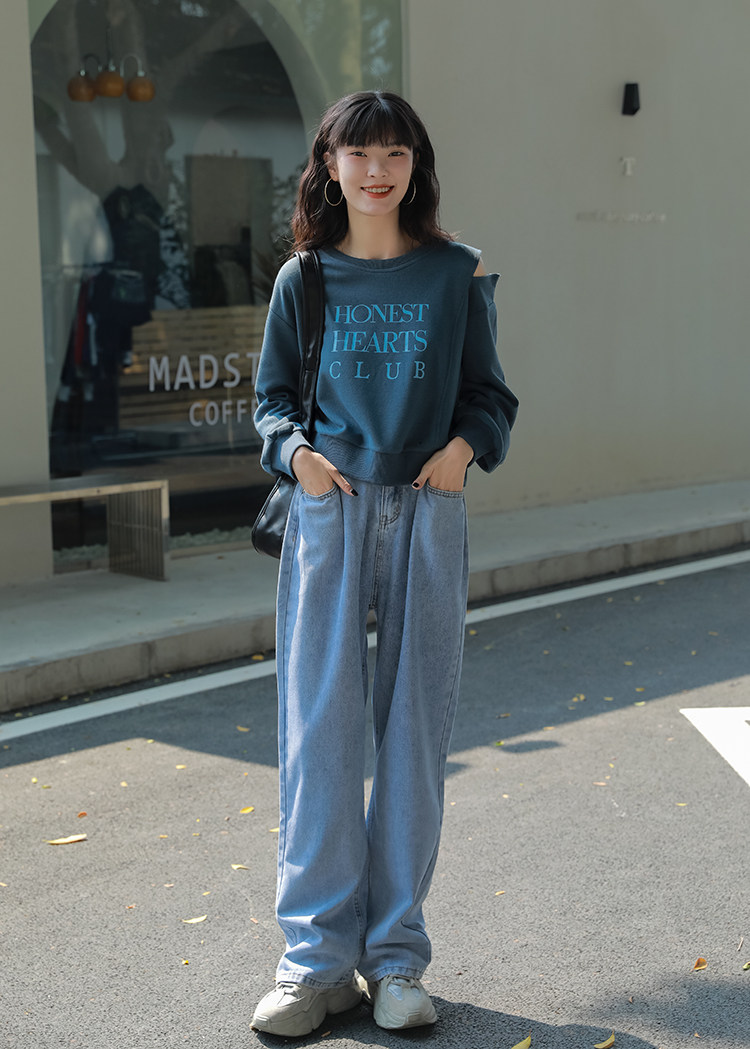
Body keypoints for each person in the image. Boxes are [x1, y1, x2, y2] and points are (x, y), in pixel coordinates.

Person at [251, 90, 518, 1038]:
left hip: (426, 511)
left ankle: (396, 958)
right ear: (329, 166)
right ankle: (314, 964)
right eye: (359, 153)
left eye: (395, 152)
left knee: (413, 734)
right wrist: (300, 461)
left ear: (415, 166)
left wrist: (461, 452)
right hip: (332, 511)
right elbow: (272, 403)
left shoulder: (455, 272)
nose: (377, 170)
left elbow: (491, 396)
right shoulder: (304, 278)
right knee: (319, 735)